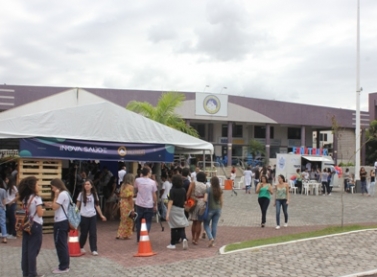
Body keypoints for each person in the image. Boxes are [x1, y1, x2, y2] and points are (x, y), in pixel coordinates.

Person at [18, 176, 45, 277]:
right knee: (33, 250)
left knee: (26, 249)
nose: (39, 186)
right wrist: (43, 210)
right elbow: (40, 213)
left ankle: (26, 272)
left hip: (26, 225)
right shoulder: (36, 198)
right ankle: (32, 273)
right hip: (36, 225)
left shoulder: (25, 197)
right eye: (37, 184)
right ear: (32, 186)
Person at [46, 179, 70, 274]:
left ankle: (63, 266)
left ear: (56, 186)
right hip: (62, 221)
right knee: (62, 243)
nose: (52, 189)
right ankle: (64, 264)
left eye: (52, 187)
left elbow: (55, 207)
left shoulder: (62, 194)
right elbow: (56, 205)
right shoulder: (65, 194)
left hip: (61, 221)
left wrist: (56, 196)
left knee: (60, 244)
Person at [76, 179, 106, 256]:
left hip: (92, 216)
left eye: (88, 184)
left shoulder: (94, 194)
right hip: (83, 216)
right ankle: (81, 246)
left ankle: (94, 249)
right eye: (85, 184)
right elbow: (77, 205)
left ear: (91, 186)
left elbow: (97, 205)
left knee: (93, 233)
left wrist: (101, 215)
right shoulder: (81, 194)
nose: (87, 185)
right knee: (84, 233)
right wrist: (75, 213)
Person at [134, 166, 157, 242]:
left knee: (139, 221)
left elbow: (136, 189)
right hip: (149, 204)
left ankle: (139, 238)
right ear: (148, 173)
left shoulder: (137, 180)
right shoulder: (153, 182)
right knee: (148, 221)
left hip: (139, 203)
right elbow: (154, 194)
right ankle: (145, 236)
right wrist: (155, 204)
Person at [166, 175, 189, 250]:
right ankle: (184, 238)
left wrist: (167, 213)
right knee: (181, 226)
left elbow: (170, 202)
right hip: (181, 209)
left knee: (173, 226)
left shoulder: (172, 190)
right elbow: (185, 201)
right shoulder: (183, 190)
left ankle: (172, 243)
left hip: (174, 209)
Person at [186, 171, 207, 245]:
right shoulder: (205, 186)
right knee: (199, 222)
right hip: (201, 203)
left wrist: (187, 200)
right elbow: (206, 197)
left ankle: (193, 237)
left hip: (193, 201)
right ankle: (197, 239)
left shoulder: (193, 183)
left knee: (194, 221)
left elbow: (188, 193)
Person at [203, 176, 223, 247]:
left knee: (206, 224)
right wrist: (220, 209)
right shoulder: (219, 190)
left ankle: (210, 238)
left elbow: (205, 199)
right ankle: (213, 241)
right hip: (218, 209)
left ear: (211, 182)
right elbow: (221, 201)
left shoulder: (208, 190)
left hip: (210, 209)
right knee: (214, 225)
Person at [116, 173, 135, 240]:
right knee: (129, 219)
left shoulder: (123, 185)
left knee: (123, 219)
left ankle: (119, 233)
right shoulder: (131, 187)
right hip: (128, 204)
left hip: (122, 202)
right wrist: (132, 207)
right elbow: (130, 198)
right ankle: (125, 234)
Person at [5, 175, 18, 239]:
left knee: (13, 219)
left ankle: (14, 233)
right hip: (7, 204)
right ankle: (9, 232)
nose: (6, 181)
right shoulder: (8, 188)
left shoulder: (13, 187)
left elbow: (18, 196)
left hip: (12, 204)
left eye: (7, 179)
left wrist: (11, 201)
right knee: (9, 219)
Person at [0, 178, 8, 243]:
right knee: (2, 223)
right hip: (1, 208)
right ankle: (4, 237)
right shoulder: (3, 190)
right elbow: (4, 201)